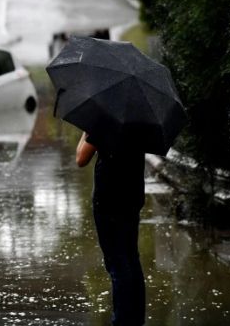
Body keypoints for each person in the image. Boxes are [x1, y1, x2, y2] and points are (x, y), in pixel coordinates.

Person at [76, 132, 146, 326]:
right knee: (131, 258)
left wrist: (86, 130)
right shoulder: (139, 117)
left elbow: (81, 158)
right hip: (132, 195)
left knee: (117, 262)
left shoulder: (104, 119)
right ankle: (136, 319)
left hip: (109, 199)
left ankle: (122, 321)